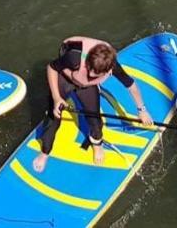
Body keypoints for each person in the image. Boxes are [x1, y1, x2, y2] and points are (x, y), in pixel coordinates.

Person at [31, 36, 154, 173]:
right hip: (65, 76)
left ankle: (97, 144)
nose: (89, 74)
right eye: (89, 69)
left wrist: (141, 110)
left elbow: (130, 85)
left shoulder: (112, 66)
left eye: (94, 74)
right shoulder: (73, 57)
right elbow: (52, 68)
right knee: (54, 117)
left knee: (95, 119)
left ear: (107, 71)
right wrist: (57, 98)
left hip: (86, 86)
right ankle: (45, 153)